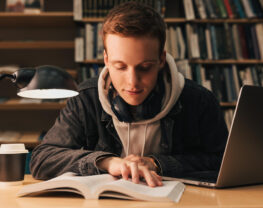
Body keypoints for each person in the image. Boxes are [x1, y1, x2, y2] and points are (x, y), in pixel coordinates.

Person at [30, 2, 228, 187]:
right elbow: (42, 160)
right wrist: (106, 162)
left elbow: (223, 162)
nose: (133, 82)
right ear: (106, 60)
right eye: (120, 67)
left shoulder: (199, 100)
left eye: (145, 67)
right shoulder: (86, 99)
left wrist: (157, 163)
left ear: (161, 59)